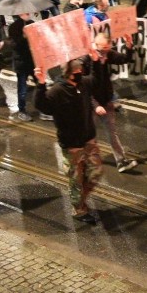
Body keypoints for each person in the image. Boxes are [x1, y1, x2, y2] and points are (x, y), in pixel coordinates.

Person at [35, 60, 104, 224]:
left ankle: (80, 198)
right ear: (68, 74)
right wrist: (40, 84)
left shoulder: (84, 84)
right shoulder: (57, 91)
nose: (80, 73)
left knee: (96, 172)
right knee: (76, 178)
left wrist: (96, 61)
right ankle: (79, 209)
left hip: (89, 139)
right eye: (77, 71)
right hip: (72, 144)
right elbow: (42, 105)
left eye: (81, 70)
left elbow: (97, 80)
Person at [83, 33, 138, 174]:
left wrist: (129, 45)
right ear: (96, 46)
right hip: (91, 104)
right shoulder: (86, 60)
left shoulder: (107, 53)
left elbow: (125, 59)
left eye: (108, 49)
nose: (106, 53)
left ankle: (121, 161)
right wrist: (96, 106)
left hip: (106, 100)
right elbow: (85, 89)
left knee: (112, 133)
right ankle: (86, 161)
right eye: (103, 50)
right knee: (89, 135)